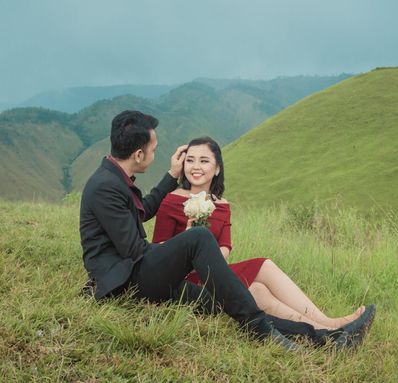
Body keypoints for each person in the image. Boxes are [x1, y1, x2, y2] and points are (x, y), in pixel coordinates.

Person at [80, 110, 305, 350]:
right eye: (153, 150)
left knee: (224, 301)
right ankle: (259, 327)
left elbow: (141, 211)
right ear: (138, 154)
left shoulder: (113, 179)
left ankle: (321, 335)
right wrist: (185, 250)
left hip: (130, 273)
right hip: (124, 281)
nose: (155, 155)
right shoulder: (107, 186)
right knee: (199, 237)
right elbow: (134, 248)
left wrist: (171, 175)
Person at [152, 136, 373, 331]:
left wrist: (213, 259)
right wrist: (189, 240)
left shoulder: (222, 205)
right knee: (261, 273)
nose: (196, 167)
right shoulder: (171, 201)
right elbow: (159, 251)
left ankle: (326, 325)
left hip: (216, 272)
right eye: (190, 160)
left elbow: (225, 246)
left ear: (217, 168)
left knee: (259, 283)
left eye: (204, 160)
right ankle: (329, 328)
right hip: (185, 281)